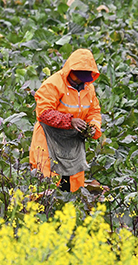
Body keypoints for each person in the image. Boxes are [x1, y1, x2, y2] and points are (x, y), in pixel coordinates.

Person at [29, 48, 103, 193]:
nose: (81, 80)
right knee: (46, 187)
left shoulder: (89, 88)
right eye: (78, 76)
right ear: (70, 71)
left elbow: (94, 111)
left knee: (74, 188)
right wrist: (70, 121)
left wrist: (93, 127)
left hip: (72, 144)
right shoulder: (53, 84)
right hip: (47, 140)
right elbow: (43, 113)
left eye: (85, 77)